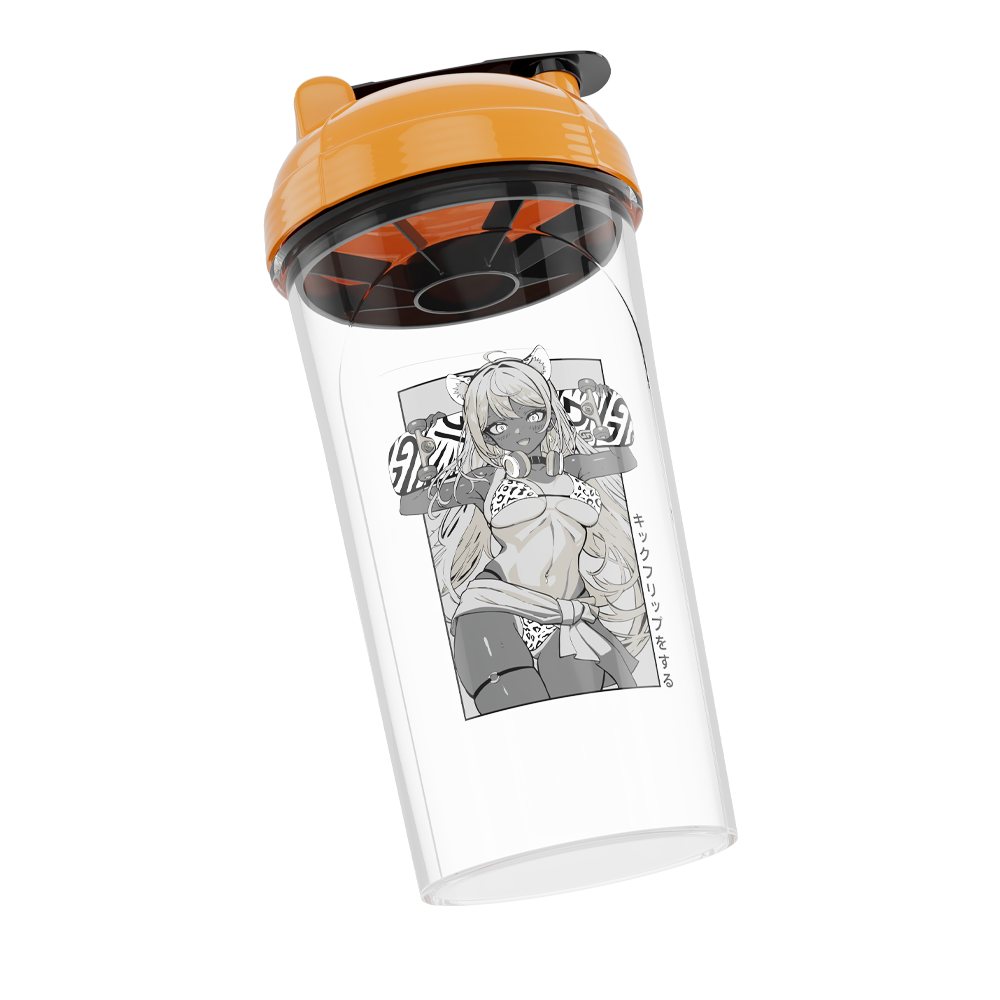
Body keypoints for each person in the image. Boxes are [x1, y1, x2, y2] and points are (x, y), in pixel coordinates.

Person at [397, 345, 648, 715]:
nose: (520, 431)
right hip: (495, 607)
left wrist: (603, 410)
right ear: (484, 434)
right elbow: (412, 504)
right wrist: (421, 454)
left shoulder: (572, 467)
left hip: (567, 612)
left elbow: (626, 458)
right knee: (520, 719)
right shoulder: (485, 480)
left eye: (534, 415)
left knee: (586, 720)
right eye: (500, 425)